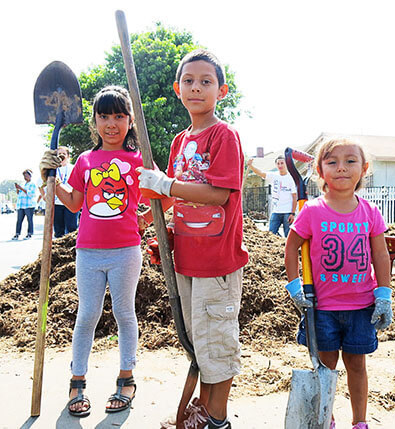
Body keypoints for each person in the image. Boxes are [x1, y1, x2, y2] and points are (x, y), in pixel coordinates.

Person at [136, 48, 248, 429]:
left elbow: (218, 193)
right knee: (199, 340)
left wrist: (166, 183)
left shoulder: (223, 136)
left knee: (217, 342)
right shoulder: (181, 141)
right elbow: (173, 193)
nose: (196, 88)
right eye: (189, 81)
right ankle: (202, 409)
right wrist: (151, 221)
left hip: (216, 260)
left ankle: (215, 417)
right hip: (187, 255)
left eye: (206, 81)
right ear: (177, 89)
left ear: (222, 91)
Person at [39, 86, 146, 417]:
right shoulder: (85, 161)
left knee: (124, 314)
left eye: (118, 116)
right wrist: (51, 179)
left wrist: (142, 222)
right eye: (103, 116)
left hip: (126, 251)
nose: (111, 124)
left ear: (130, 120)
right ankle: (77, 381)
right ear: (94, 121)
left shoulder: (138, 161)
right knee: (87, 315)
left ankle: (126, 378)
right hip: (88, 252)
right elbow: (73, 202)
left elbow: (157, 200)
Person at [284, 137, 393, 429]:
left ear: (364, 168)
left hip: (361, 307)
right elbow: (291, 247)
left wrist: (384, 294)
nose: (341, 168)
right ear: (320, 171)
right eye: (332, 162)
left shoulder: (369, 212)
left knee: (357, 365)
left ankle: (359, 422)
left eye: (350, 161)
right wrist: (294, 285)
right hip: (322, 307)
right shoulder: (312, 211)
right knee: (324, 368)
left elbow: (381, 255)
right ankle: (326, 419)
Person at [246, 155, 297, 236]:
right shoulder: (273, 176)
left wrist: (293, 213)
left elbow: (294, 197)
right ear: (276, 165)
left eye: (282, 163)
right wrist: (251, 166)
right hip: (276, 211)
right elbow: (261, 173)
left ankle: (285, 247)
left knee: (288, 235)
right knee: (271, 234)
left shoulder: (291, 178)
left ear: (286, 164)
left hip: (287, 212)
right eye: (278, 163)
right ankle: (280, 244)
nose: (280, 165)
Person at [12, 169, 37, 240]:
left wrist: (21, 188)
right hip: (21, 205)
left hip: (29, 205)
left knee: (29, 220)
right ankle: (17, 234)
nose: (25, 177)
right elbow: (19, 193)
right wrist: (18, 189)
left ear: (30, 176)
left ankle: (29, 234)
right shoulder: (23, 184)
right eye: (24, 176)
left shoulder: (32, 184)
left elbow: (30, 194)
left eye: (26, 175)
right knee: (19, 220)